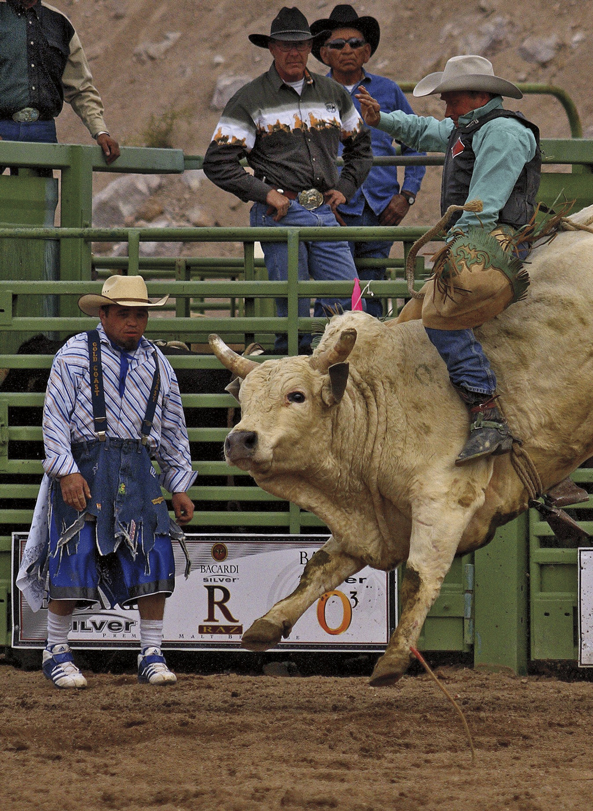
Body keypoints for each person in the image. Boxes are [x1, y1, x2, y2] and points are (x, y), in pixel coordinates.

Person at [16, 275, 197, 689]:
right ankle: (56, 650)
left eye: (140, 314)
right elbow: (55, 417)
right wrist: (65, 470)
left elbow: (172, 429)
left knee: (153, 552)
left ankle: (151, 652)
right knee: (73, 551)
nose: (132, 322)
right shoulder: (74, 355)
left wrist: (179, 484)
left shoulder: (158, 363)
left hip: (138, 465)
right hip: (86, 465)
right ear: (104, 314)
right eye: (123, 314)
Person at [357, 55, 539, 463]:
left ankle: (487, 414)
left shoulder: (503, 134)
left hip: (495, 241)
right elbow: (425, 130)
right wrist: (381, 119)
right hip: (477, 236)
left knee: (439, 316)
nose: (446, 109)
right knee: (406, 322)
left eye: (451, 100)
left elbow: (483, 204)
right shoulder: (470, 128)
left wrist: (454, 242)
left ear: (478, 96)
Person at [202, 6, 372, 353]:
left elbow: (361, 148)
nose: (293, 53)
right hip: (279, 210)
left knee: (352, 304)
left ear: (311, 48)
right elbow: (217, 161)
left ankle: (341, 370)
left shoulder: (333, 93)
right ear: (272, 49)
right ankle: (291, 371)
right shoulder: (250, 98)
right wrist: (266, 194)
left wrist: (344, 188)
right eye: (285, 46)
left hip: (323, 208)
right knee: (291, 311)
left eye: (301, 45)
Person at [309, 4, 425, 319]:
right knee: (335, 292)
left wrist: (407, 195)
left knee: (372, 291)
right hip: (332, 212)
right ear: (324, 53)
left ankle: (371, 359)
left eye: (355, 43)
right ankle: (329, 359)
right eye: (337, 44)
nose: (347, 49)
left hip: (380, 211)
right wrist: (319, 201)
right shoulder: (310, 94)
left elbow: (415, 143)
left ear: (367, 51)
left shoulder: (388, 91)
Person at [0, 0, 119, 163]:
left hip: (42, 131)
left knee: (40, 189)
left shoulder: (59, 22)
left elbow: (81, 88)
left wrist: (100, 132)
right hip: (2, 124)